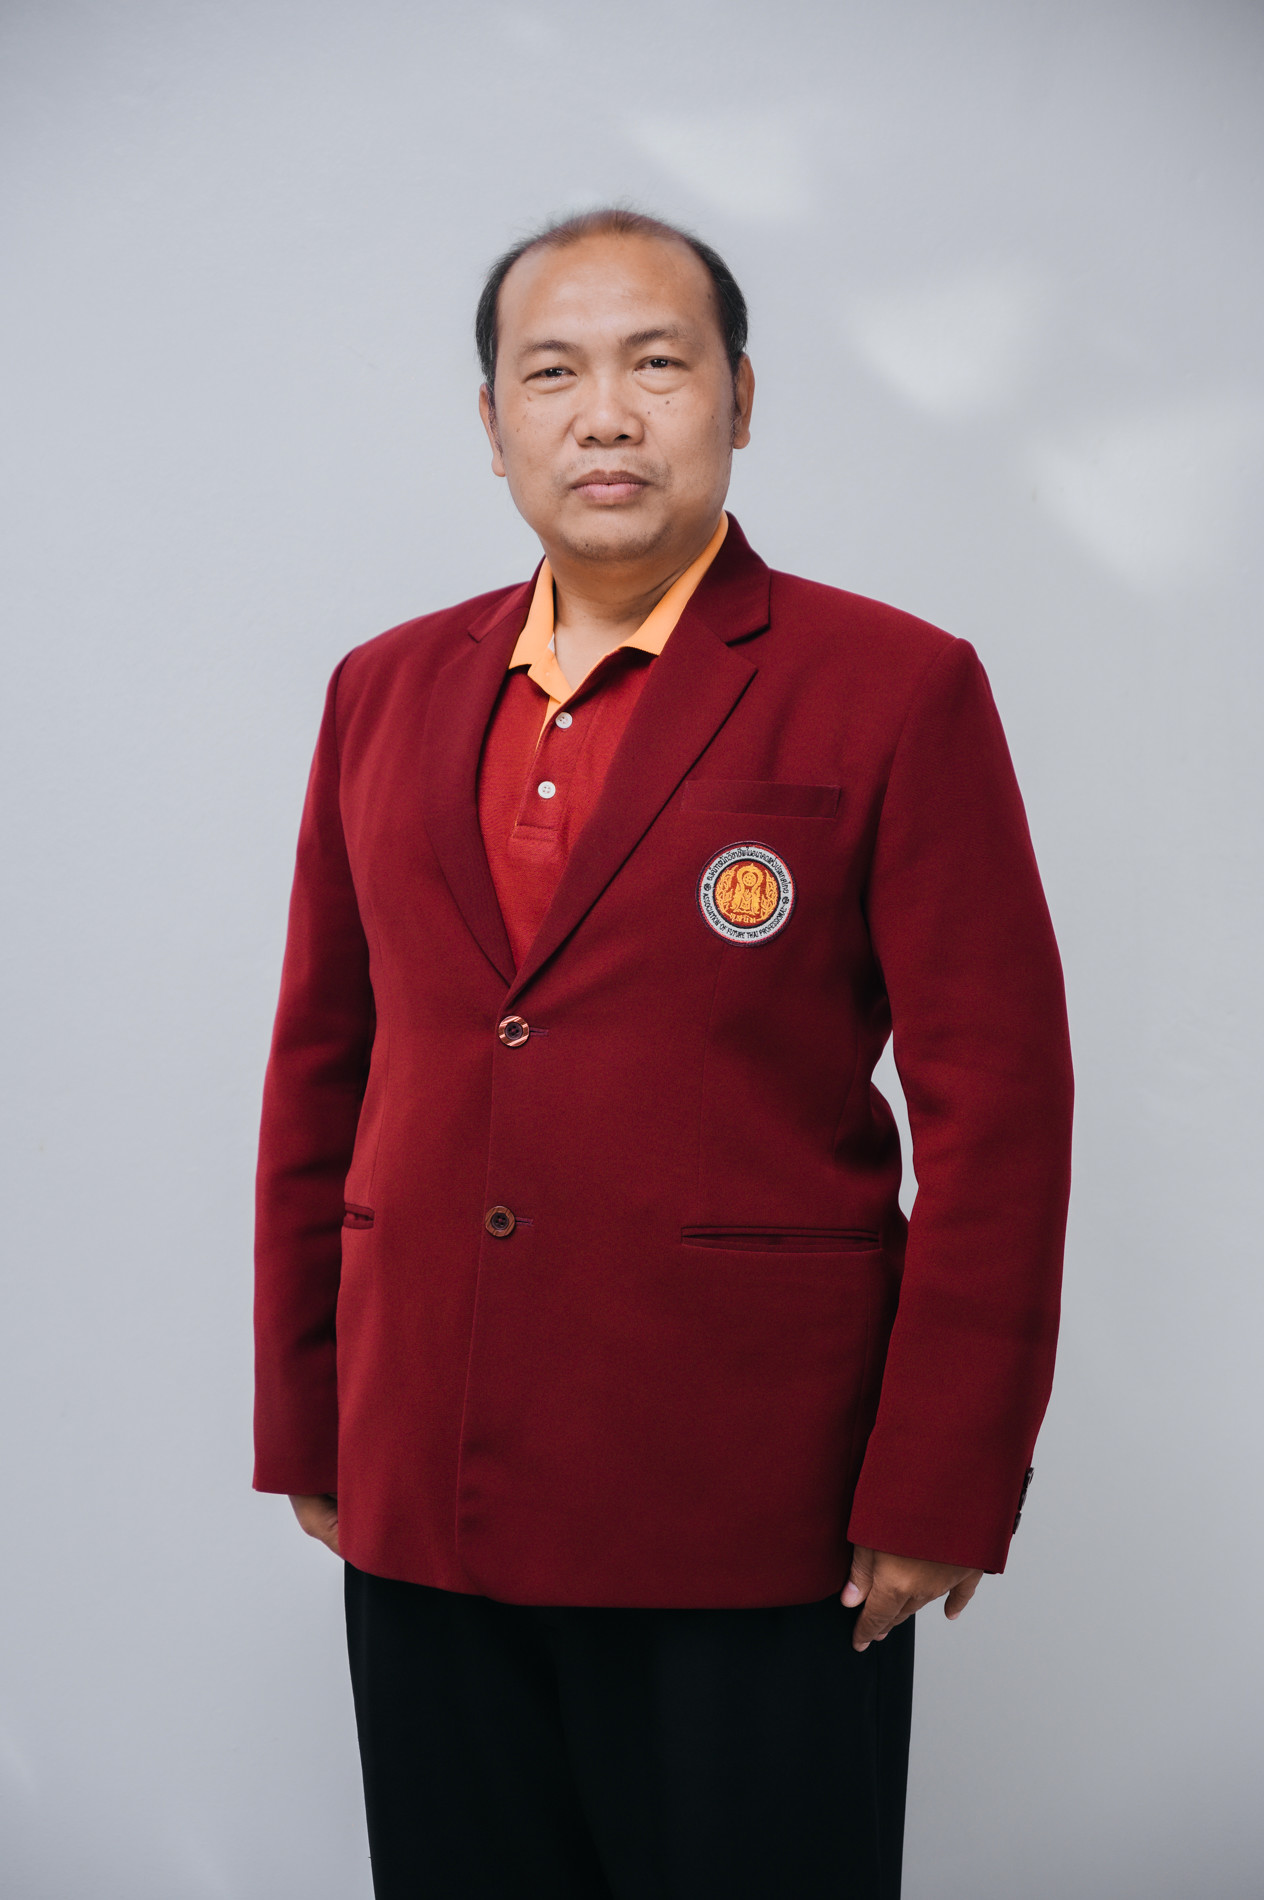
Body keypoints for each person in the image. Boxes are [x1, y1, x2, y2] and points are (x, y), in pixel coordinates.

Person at [253, 207, 1073, 1899]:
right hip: (425, 1478)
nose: (606, 416)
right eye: (552, 373)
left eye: (657, 364)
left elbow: (1001, 1109)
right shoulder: (380, 690)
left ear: (741, 399)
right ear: (494, 422)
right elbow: (322, 1069)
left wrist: (944, 1477)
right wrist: (309, 1413)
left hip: (754, 1508)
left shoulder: (894, 686)